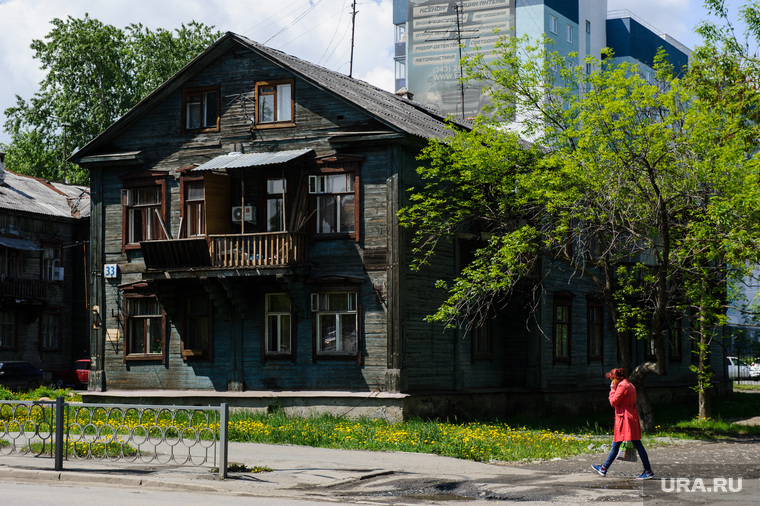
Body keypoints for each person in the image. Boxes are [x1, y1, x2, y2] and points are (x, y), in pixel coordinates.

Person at [591, 367, 655, 480]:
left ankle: (648, 471)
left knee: (636, 444)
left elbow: (613, 402)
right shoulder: (629, 384)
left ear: (616, 379)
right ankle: (604, 468)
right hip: (629, 417)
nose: (612, 382)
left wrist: (612, 390)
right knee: (617, 443)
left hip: (625, 419)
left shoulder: (622, 386)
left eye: (612, 379)